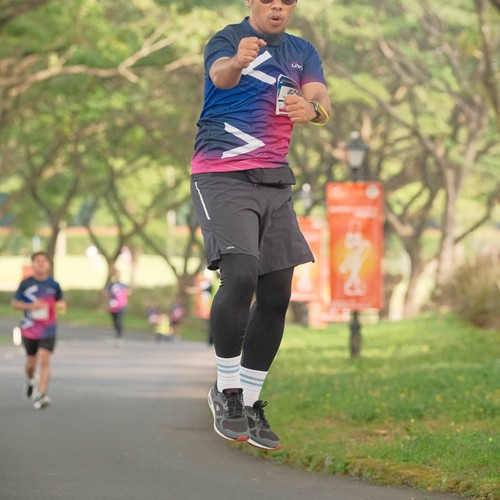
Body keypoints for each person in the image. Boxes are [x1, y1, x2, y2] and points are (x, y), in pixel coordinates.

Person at [191, 0, 331, 450]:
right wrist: (238, 61)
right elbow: (220, 76)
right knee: (241, 275)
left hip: (274, 180)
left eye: (287, 1)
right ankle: (226, 390)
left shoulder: (302, 50)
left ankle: (250, 403)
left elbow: (320, 97)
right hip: (222, 175)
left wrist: (313, 110)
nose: (278, 6)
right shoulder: (228, 39)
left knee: (276, 294)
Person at [11, 252, 66, 410]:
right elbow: (15, 303)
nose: (41, 264)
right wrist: (31, 306)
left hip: (48, 329)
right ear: (33, 264)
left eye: (44, 261)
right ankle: (30, 380)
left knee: (44, 358)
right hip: (29, 329)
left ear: (48, 264)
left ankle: (41, 394)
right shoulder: (26, 284)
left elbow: (60, 301)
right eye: (37, 261)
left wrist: (61, 306)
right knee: (31, 364)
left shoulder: (54, 285)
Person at [105, 269, 129, 346]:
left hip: (121, 306)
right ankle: (117, 333)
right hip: (113, 306)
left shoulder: (123, 285)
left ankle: (119, 336)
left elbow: (128, 292)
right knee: (115, 321)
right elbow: (106, 293)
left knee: (119, 321)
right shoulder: (111, 285)